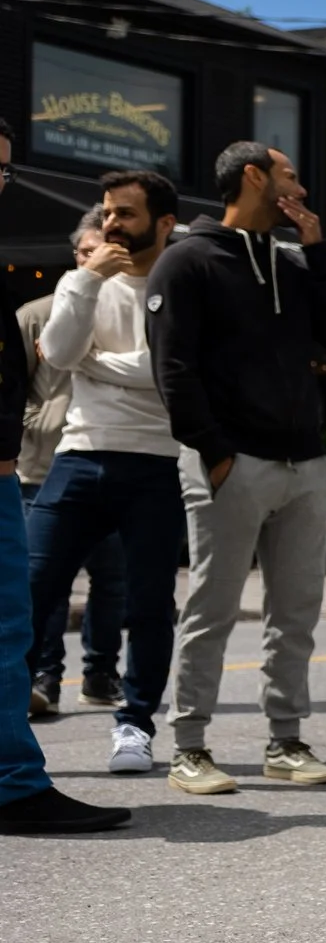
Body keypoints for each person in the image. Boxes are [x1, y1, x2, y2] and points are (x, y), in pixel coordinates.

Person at [147, 140, 326, 795]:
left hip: (304, 462)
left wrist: (317, 246)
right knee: (212, 609)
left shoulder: (295, 263)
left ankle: (286, 741)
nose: (300, 186)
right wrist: (214, 454)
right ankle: (189, 747)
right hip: (230, 463)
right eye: (289, 175)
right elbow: (173, 370)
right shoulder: (187, 260)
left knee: (295, 613)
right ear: (253, 176)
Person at [24, 169, 189, 776]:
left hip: (157, 462)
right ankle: (7, 721)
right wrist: (88, 280)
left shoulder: (182, 284)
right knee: (29, 591)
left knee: (148, 602)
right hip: (76, 457)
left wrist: (98, 364)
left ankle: (135, 726)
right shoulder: (82, 279)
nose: (111, 224)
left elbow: (170, 373)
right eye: (107, 212)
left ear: (164, 223)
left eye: (125, 214)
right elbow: (63, 355)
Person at [0, 117, 131, 833]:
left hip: (69, 460)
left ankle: (19, 773)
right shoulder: (34, 307)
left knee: (44, 604)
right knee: (22, 609)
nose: (3, 182)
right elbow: (39, 369)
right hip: (27, 468)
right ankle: (16, 776)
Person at [20, 215, 128, 718]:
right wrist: (37, 423)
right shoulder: (37, 314)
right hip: (39, 471)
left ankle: (101, 673)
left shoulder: (123, 304)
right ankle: (45, 678)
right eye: (85, 251)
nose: (92, 259)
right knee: (49, 580)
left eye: (100, 250)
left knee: (112, 580)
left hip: (103, 460)